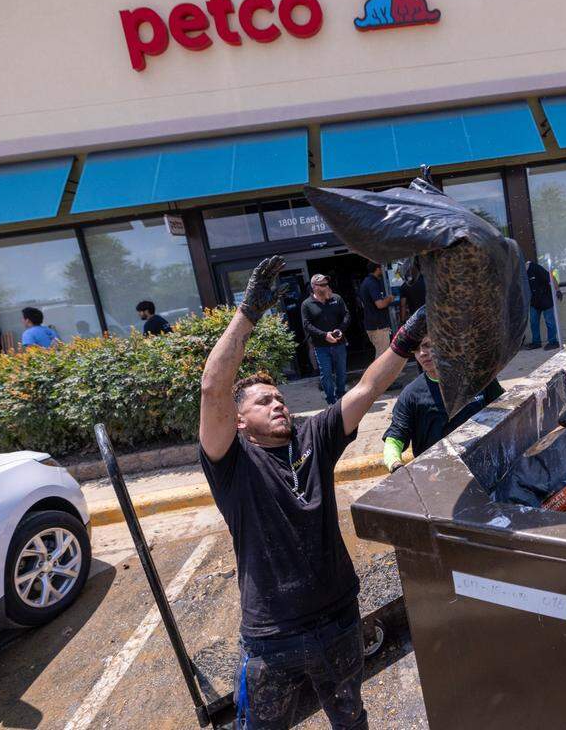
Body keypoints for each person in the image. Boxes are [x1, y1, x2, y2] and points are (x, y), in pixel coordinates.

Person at [199, 255, 426, 730]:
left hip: (340, 621)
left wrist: (408, 334)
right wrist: (248, 313)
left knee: (351, 719)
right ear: (240, 420)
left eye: (279, 397)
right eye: (264, 402)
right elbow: (212, 386)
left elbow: (366, 387)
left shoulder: (313, 437)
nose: (277, 404)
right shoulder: (231, 460)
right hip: (273, 637)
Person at [382, 334, 503, 472]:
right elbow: (394, 437)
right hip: (437, 476)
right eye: (416, 349)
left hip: (484, 467)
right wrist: (395, 465)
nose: (422, 353)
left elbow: (505, 410)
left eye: (428, 345)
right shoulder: (411, 395)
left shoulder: (480, 378)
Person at [301, 274, 352, 405]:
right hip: (321, 346)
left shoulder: (336, 298)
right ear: (314, 287)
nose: (326, 287)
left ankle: (341, 395)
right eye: (322, 285)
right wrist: (325, 335)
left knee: (341, 371)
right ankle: (331, 400)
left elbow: (346, 315)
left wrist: (340, 329)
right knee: (326, 374)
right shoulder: (307, 304)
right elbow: (307, 325)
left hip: (339, 343)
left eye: (326, 284)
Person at [359, 262, 396, 359]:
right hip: (378, 326)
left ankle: (386, 374)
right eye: (381, 267)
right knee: (382, 356)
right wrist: (389, 298)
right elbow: (380, 304)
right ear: (378, 269)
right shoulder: (372, 283)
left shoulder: (367, 282)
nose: (383, 270)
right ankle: (379, 374)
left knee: (382, 354)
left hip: (374, 325)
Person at [525, 260, 561, 350]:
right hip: (534, 300)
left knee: (550, 322)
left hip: (545, 298)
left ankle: (553, 342)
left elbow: (550, 277)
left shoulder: (535, 268)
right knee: (533, 322)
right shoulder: (522, 274)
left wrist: (558, 290)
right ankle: (536, 342)